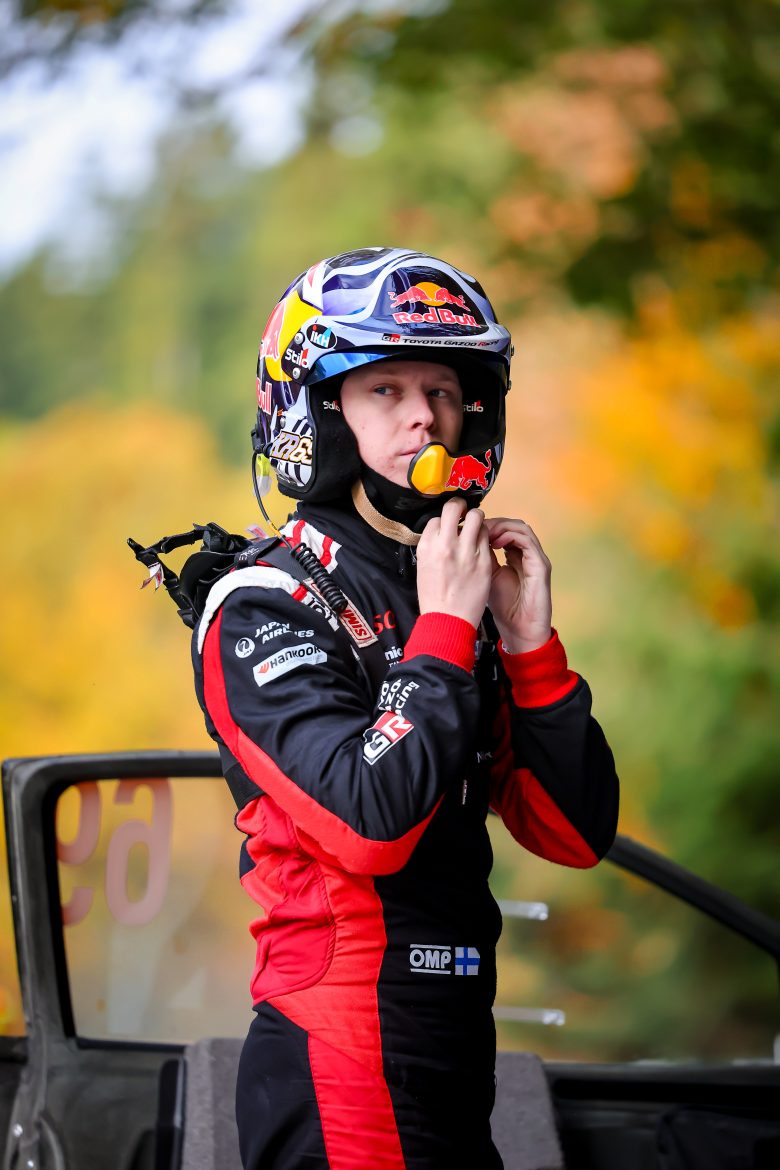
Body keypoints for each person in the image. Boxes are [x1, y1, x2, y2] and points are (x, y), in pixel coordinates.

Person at [191, 246, 619, 1170]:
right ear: (319, 413)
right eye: (384, 388)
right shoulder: (263, 602)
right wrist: (446, 631)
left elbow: (575, 833)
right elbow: (368, 825)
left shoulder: (453, 590)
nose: (424, 414)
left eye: (443, 390)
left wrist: (530, 647)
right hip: (341, 1054)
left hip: (457, 1046)